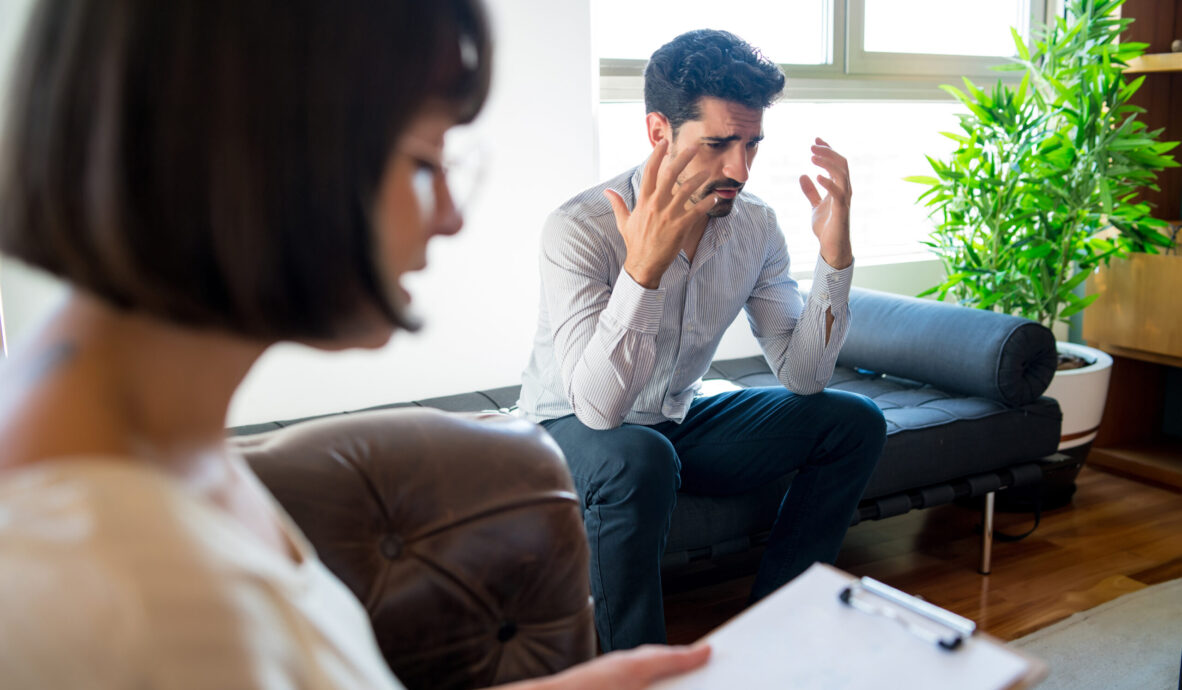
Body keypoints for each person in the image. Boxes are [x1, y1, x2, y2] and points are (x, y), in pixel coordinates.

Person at [0, 1, 708, 687]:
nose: (452, 217)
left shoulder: (157, 442)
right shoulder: (95, 589)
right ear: (256, 153)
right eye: (426, 160)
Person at [517, 29, 888, 651]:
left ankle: (779, 626)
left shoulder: (756, 226)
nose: (739, 168)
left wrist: (835, 256)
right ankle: (638, 668)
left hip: (671, 421)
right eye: (718, 143)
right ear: (659, 131)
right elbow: (599, 410)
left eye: (751, 144)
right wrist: (643, 272)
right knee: (641, 455)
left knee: (853, 421)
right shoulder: (578, 228)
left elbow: (804, 378)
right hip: (566, 430)